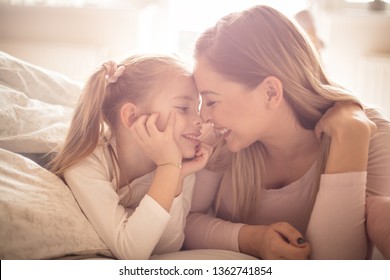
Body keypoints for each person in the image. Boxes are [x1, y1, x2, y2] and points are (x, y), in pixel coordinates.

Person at [183, 5, 390, 259]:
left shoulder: (370, 134)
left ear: (270, 92)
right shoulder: (224, 137)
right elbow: (185, 222)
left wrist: (350, 136)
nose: (203, 116)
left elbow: (334, 264)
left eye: (212, 101)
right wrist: (250, 238)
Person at [49, 54, 213, 259]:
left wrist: (175, 177)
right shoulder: (87, 163)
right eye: (183, 108)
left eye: (197, 109)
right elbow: (131, 251)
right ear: (132, 116)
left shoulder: (178, 166)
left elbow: (167, 248)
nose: (200, 120)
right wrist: (169, 168)